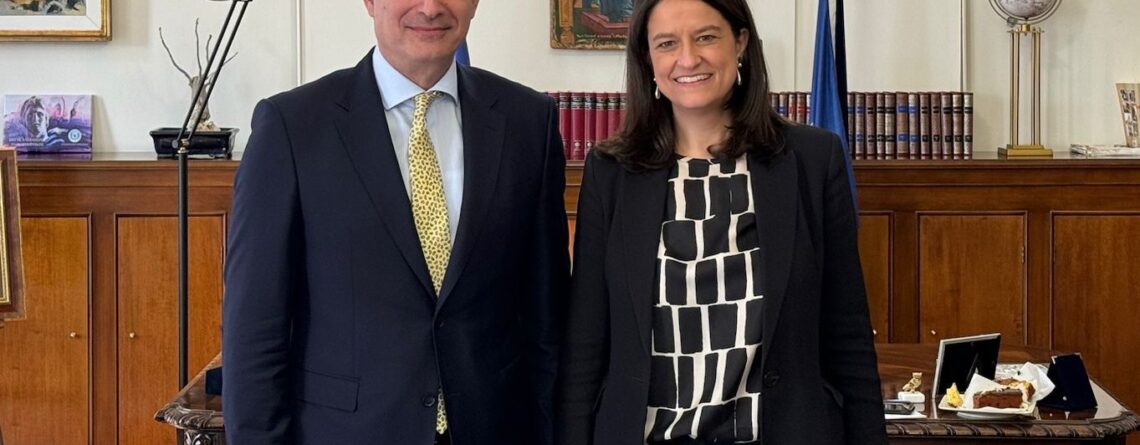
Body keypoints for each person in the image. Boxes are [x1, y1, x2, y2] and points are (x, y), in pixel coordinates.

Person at [222, 0, 570, 443]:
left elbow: (547, 319)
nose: (430, 8)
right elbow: (254, 330)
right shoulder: (293, 126)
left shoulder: (528, 121)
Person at [555, 0, 887, 444]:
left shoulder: (812, 159)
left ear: (741, 42)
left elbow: (847, 337)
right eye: (666, 44)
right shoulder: (611, 172)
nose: (688, 58)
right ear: (647, 59)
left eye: (706, 37)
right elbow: (585, 345)